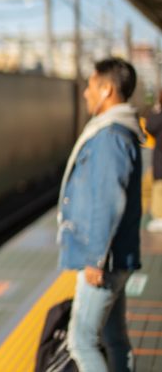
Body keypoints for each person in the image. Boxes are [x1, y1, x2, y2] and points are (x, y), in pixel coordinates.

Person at [57, 57, 142, 372]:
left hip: (105, 260)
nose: (85, 93)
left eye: (90, 85)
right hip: (116, 256)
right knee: (114, 339)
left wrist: (95, 258)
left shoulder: (110, 137)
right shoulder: (119, 132)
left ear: (106, 89)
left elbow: (107, 201)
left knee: (81, 341)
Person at [142, 90, 162, 232]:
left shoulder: (159, 116)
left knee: (157, 189)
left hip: (160, 163)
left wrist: (156, 110)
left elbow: (150, 127)